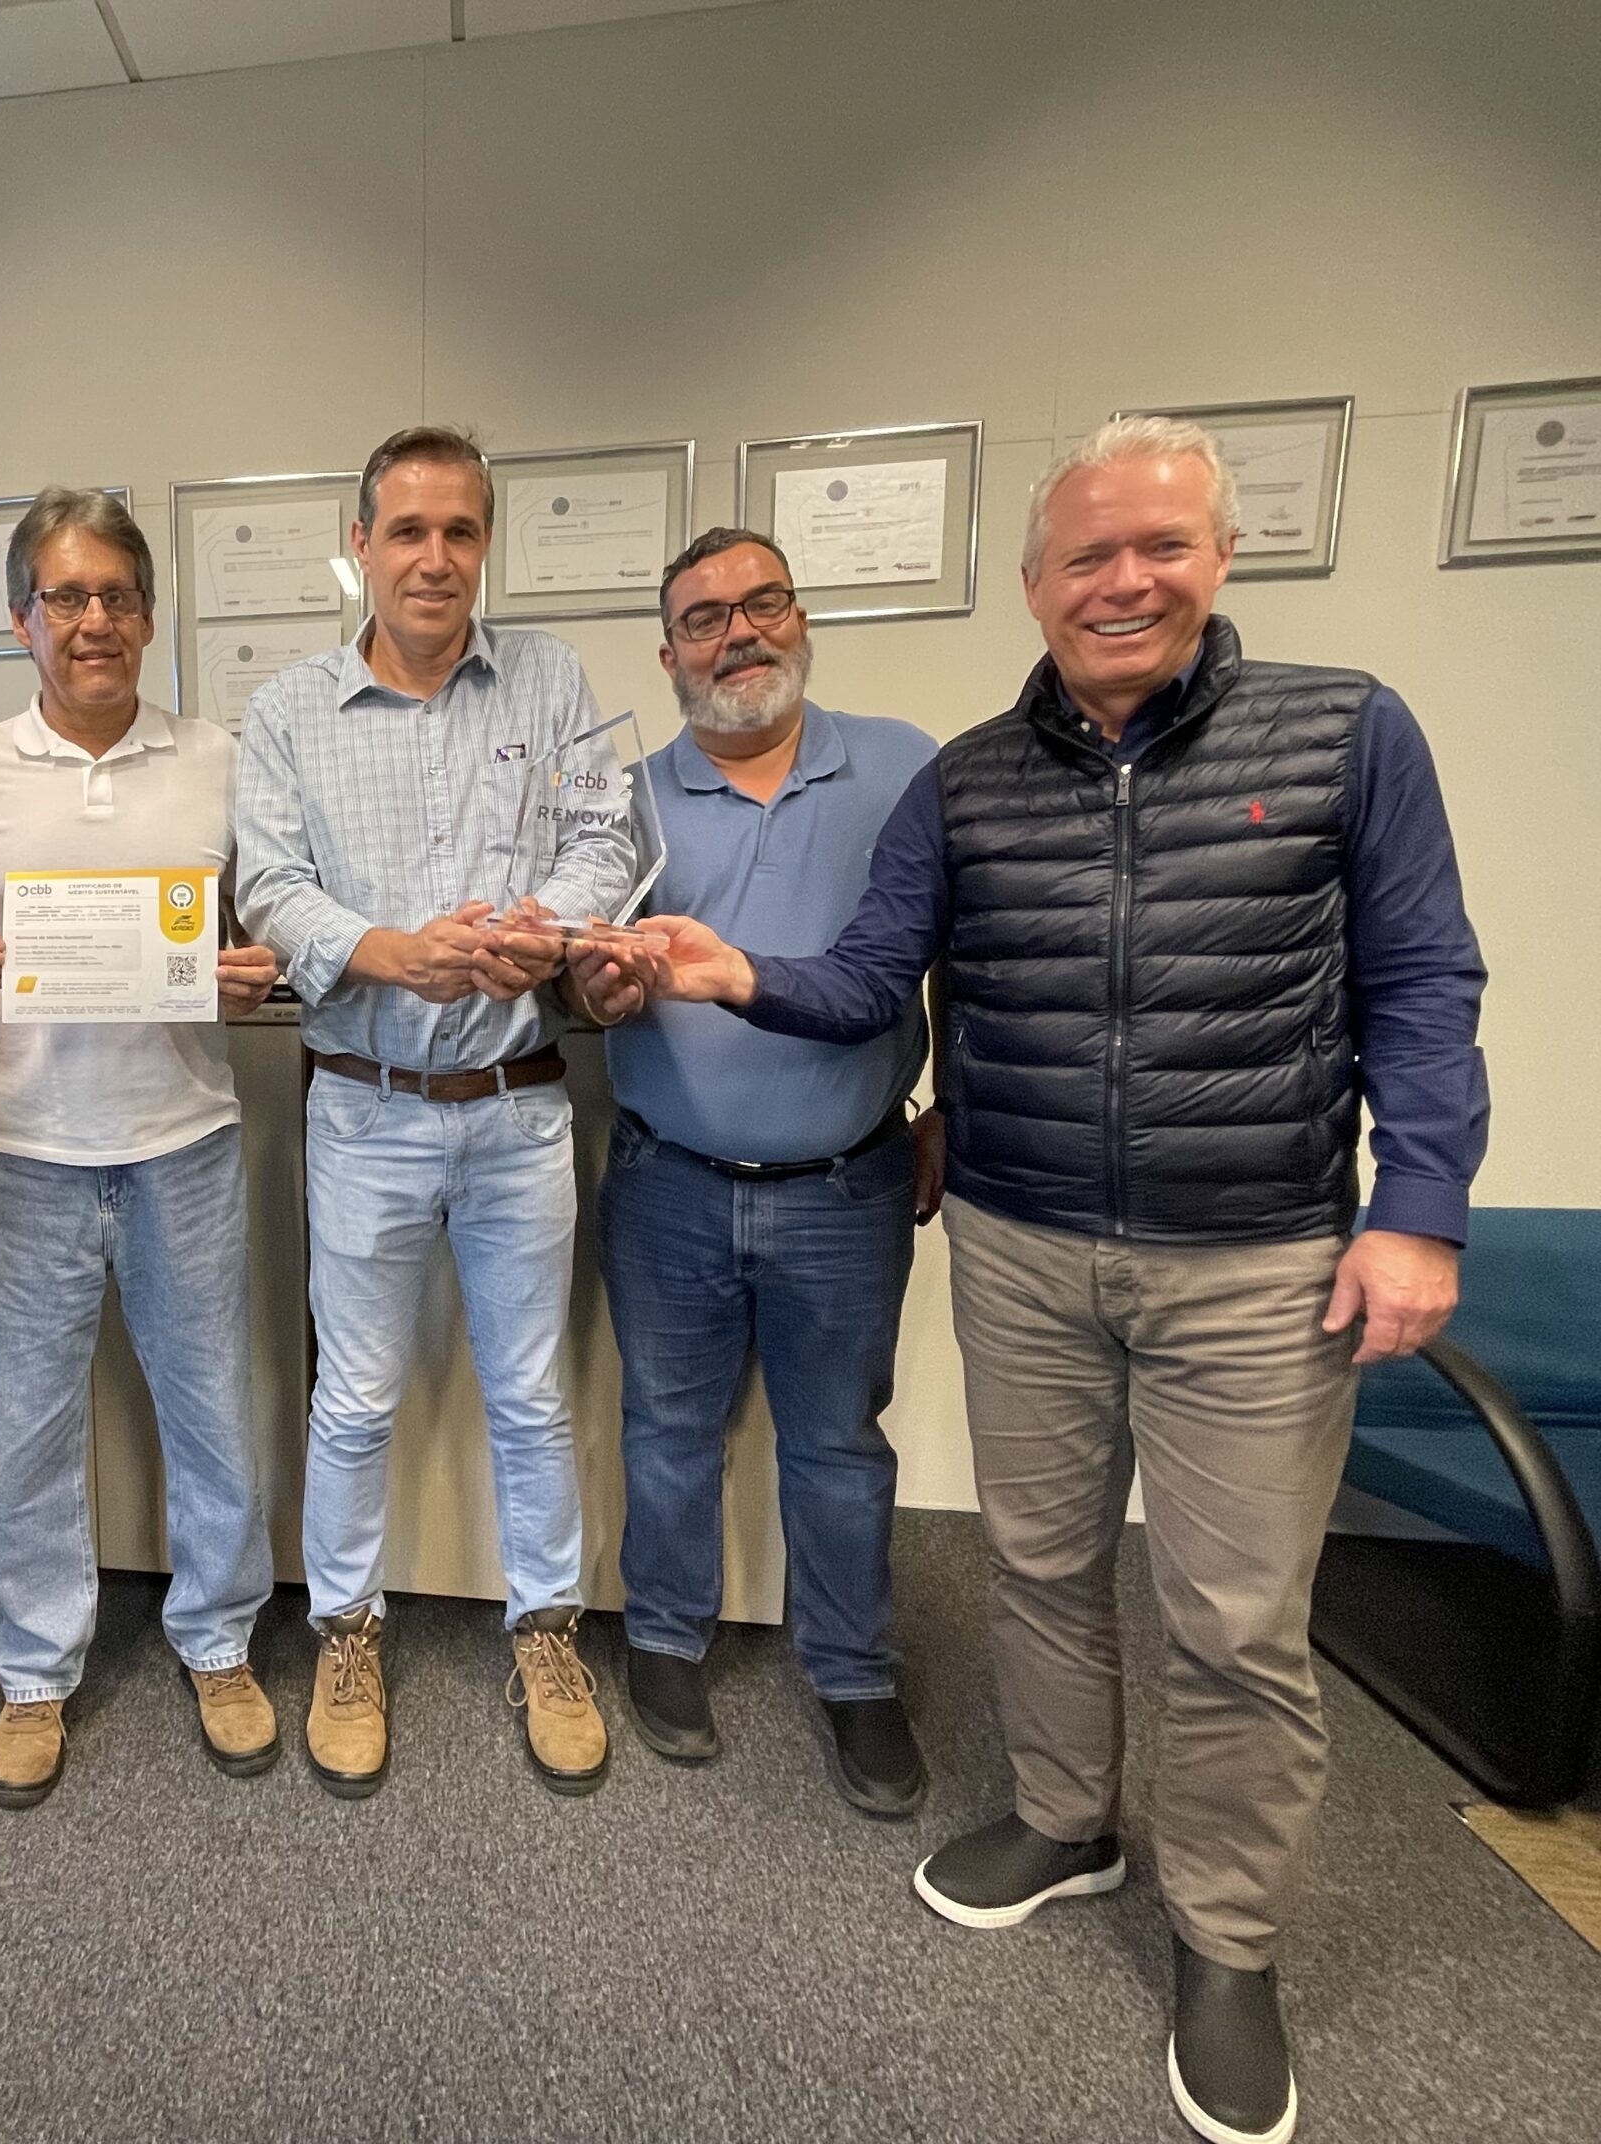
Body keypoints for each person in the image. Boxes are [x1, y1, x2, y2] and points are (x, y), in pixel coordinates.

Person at [637, 415, 1487, 2144]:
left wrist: (1424, 1202)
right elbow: (878, 972)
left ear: (1219, 560)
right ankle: (1064, 1817)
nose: (1124, 581)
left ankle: (1228, 1941)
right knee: (1038, 1562)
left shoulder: (1345, 729)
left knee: (1234, 1615)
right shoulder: (968, 780)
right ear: (1034, 585)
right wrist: (735, 975)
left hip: (1256, 1255)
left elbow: (1422, 973)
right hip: (1022, 1240)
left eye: (1160, 546)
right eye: (1088, 555)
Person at [235, 425, 631, 1799]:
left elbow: (607, 836)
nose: (434, 556)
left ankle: (546, 1631)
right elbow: (268, 883)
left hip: (519, 1106)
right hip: (366, 1107)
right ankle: (347, 1633)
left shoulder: (553, 679)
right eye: (406, 529)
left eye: (460, 529)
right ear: (361, 545)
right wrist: (393, 949)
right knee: (353, 1397)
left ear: (484, 543)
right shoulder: (288, 710)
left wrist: (540, 930)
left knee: (529, 1392)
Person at [0, 487, 279, 1808]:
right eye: (66, 596)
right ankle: (36, 1668)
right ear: (23, 618)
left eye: (116, 594)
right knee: (27, 1429)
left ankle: (219, 1640)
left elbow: (260, 934)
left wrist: (252, 974)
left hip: (184, 1141)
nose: (94, 619)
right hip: (23, 1150)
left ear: (150, 616)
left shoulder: (221, 758)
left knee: (212, 1410)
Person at [561, 527, 940, 1813]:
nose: (738, 633)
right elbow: (587, 984)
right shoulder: (617, 799)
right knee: (668, 1427)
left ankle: (855, 1671)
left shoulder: (902, 766)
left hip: (847, 1183)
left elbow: (966, 954)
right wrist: (600, 990)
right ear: (668, 654)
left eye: (761, 603)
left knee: (836, 1444)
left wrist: (954, 1104)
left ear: (800, 617)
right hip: (668, 1178)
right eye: (704, 618)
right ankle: (665, 1637)